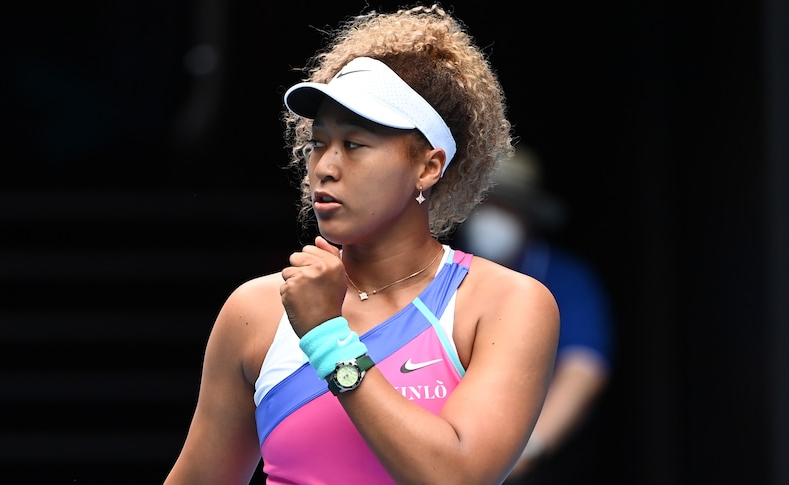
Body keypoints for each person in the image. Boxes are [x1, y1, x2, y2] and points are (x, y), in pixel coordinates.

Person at [164, 4, 559, 484]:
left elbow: (459, 478)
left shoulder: (506, 304)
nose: (325, 167)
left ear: (428, 167)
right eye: (318, 143)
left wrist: (328, 337)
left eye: (354, 145)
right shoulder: (255, 310)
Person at [456, 146, 614, 483]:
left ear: (528, 215)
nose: (492, 216)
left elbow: (584, 368)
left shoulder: (567, 278)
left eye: (506, 205)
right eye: (484, 203)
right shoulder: (445, 271)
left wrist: (526, 451)